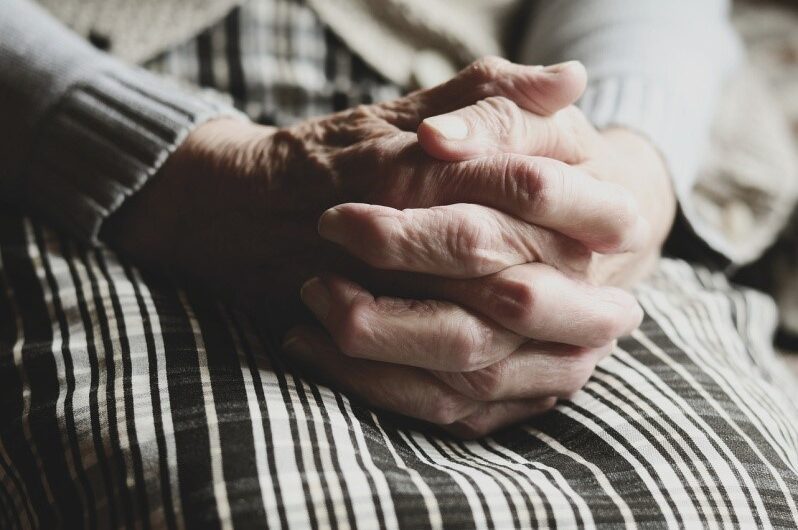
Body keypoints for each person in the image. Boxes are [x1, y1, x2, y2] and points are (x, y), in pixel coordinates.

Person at [1, 0, 797, 528]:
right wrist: (192, 177)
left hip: (521, 128)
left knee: (737, 502)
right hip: (96, 135)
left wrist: (623, 176)